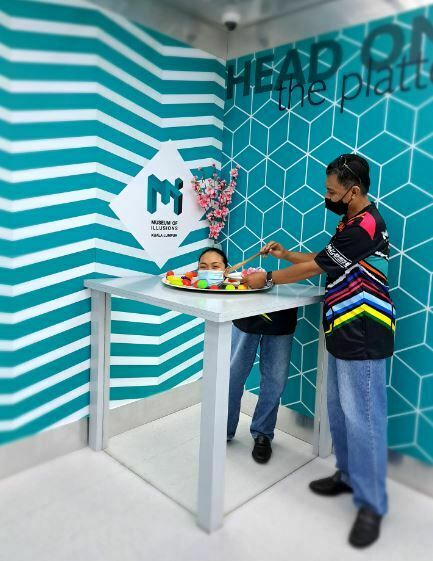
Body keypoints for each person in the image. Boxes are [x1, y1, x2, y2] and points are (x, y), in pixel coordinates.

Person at [245, 154, 395, 548]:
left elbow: (315, 268)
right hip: (343, 329)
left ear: (353, 191)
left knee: (364, 419)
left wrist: (268, 278)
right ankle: (347, 476)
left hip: (365, 333)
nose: (327, 197)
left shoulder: (366, 225)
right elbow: (322, 261)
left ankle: (372, 504)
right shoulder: (348, 223)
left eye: (331, 191)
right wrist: (283, 256)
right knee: (341, 412)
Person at [197, 247, 298, 464]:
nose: (210, 271)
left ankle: (263, 434)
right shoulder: (213, 285)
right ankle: (223, 429)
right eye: (203, 266)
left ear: (226, 268)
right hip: (245, 319)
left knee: (275, 381)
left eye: (215, 266)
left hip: (282, 316)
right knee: (232, 376)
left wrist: (269, 275)